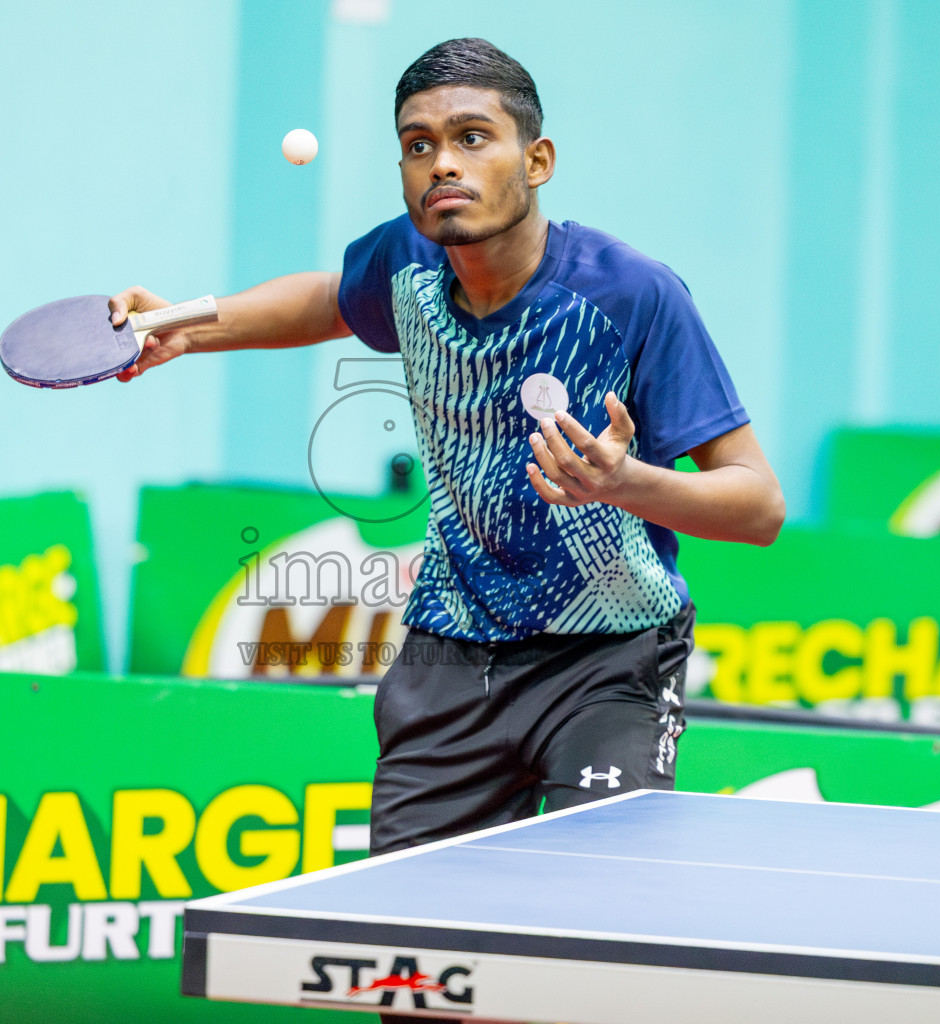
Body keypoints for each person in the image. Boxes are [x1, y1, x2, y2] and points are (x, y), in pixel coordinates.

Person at [111, 36, 783, 1020]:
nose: (445, 164)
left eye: (473, 138)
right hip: (447, 661)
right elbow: (330, 302)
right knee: (417, 979)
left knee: (597, 948)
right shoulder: (409, 260)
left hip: (610, 661)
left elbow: (757, 504)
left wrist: (627, 482)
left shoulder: (632, 295)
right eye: (419, 145)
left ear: (536, 161)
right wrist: (185, 323)